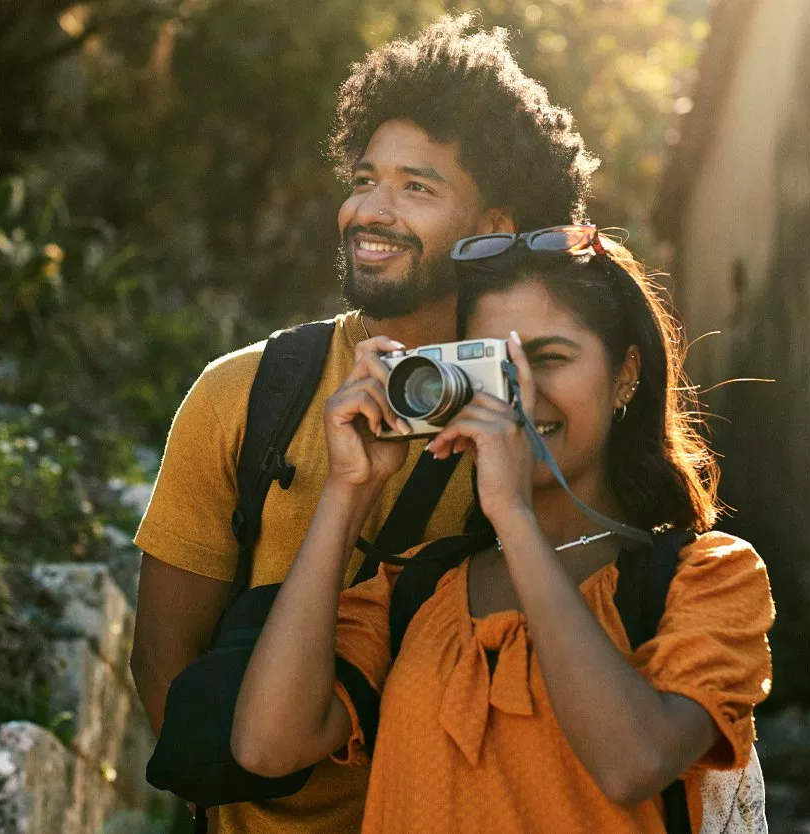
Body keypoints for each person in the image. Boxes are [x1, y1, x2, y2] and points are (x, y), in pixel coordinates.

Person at [128, 14, 598, 834]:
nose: (368, 211)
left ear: (493, 228)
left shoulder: (547, 413)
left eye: (417, 187)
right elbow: (163, 658)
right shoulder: (241, 394)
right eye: (362, 178)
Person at [230, 227, 776, 833]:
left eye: (548, 360)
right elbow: (267, 746)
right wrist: (347, 489)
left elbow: (633, 764)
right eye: (496, 369)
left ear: (625, 375)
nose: (518, 397)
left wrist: (514, 519)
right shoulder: (415, 590)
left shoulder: (707, 577)